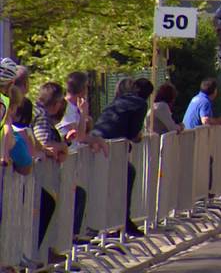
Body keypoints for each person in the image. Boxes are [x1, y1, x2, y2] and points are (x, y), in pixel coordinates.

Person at [92, 78, 154, 237]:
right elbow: (133, 133)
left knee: (120, 177)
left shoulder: (118, 101)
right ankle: (120, 221)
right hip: (110, 148)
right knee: (127, 174)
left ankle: (116, 222)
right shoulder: (140, 104)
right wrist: (137, 137)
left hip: (96, 142)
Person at [31, 82, 87, 261]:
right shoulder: (41, 116)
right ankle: (38, 255)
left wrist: (65, 143)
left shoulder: (39, 113)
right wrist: (62, 146)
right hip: (38, 178)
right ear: (55, 104)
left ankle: (45, 252)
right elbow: (45, 144)